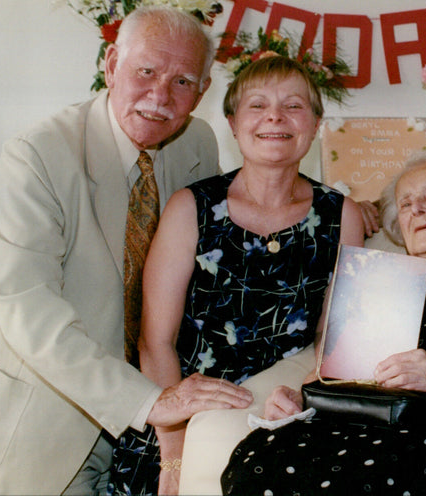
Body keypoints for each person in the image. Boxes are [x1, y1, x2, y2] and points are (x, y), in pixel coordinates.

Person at [0, 5, 255, 496]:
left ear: (203, 90)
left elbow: (220, 251)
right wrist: (147, 402)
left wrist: (341, 206)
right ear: (110, 65)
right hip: (54, 419)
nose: (159, 97)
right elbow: (25, 308)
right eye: (145, 71)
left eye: (181, 82)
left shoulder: (196, 141)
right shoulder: (38, 155)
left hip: (163, 418)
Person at [220, 151, 426, 495]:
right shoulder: (380, 278)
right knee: (256, 461)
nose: (418, 209)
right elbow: (332, 374)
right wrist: (296, 396)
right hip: (352, 421)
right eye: (406, 203)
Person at [109, 55, 366, 495]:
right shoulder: (190, 207)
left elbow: (335, 343)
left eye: (293, 105)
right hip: (181, 412)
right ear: (232, 122)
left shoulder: (342, 215)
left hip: (284, 411)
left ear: (317, 123)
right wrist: (174, 453)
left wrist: (299, 400)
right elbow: (155, 342)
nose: (275, 117)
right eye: (257, 104)